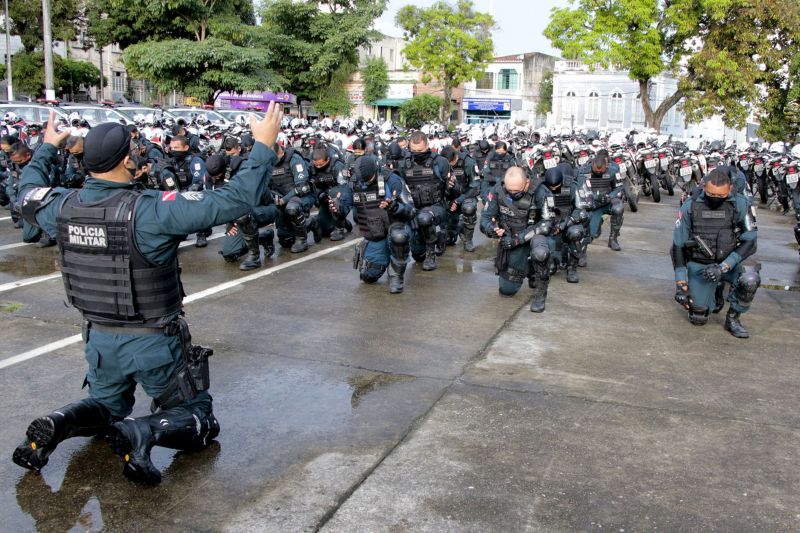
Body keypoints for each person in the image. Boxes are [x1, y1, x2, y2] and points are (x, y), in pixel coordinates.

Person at [12, 104, 283, 484]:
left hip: (100, 339)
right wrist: (264, 146)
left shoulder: (62, 206)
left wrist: (46, 147)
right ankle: (145, 432)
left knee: (106, 406)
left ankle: (59, 423)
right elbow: (234, 200)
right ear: (127, 159)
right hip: (153, 342)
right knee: (200, 417)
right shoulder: (151, 211)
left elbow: (25, 191)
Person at [672, 168, 760, 338]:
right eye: (711, 194)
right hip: (701, 265)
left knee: (749, 279)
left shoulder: (741, 204)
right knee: (698, 316)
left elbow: (750, 240)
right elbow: (678, 245)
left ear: (730, 189)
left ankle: (733, 318)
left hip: (729, 262)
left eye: (721, 196)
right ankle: (714, 292)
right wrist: (680, 283)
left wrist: (723, 267)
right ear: (704, 187)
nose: (716, 199)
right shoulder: (690, 205)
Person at [479, 167, 552, 312]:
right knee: (506, 290)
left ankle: (540, 294)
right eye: (509, 190)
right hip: (510, 239)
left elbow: (546, 224)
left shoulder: (541, 191)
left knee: (540, 253)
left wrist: (518, 240)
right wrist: (492, 229)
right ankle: (529, 267)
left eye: (517, 191)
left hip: (534, 235)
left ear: (526, 183)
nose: (512, 194)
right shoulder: (498, 190)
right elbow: (485, 218)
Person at [351, 146, 415, 293]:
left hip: (396, 225)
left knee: (398, 237)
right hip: (376, 232)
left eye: (368, 180)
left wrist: (394, 207)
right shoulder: (355, 181)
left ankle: (396, 276)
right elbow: (344, 208)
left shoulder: (392, 179)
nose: (365, 184)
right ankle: (377, 253)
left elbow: (411, 211)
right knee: (368, 277)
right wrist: (336, 207)